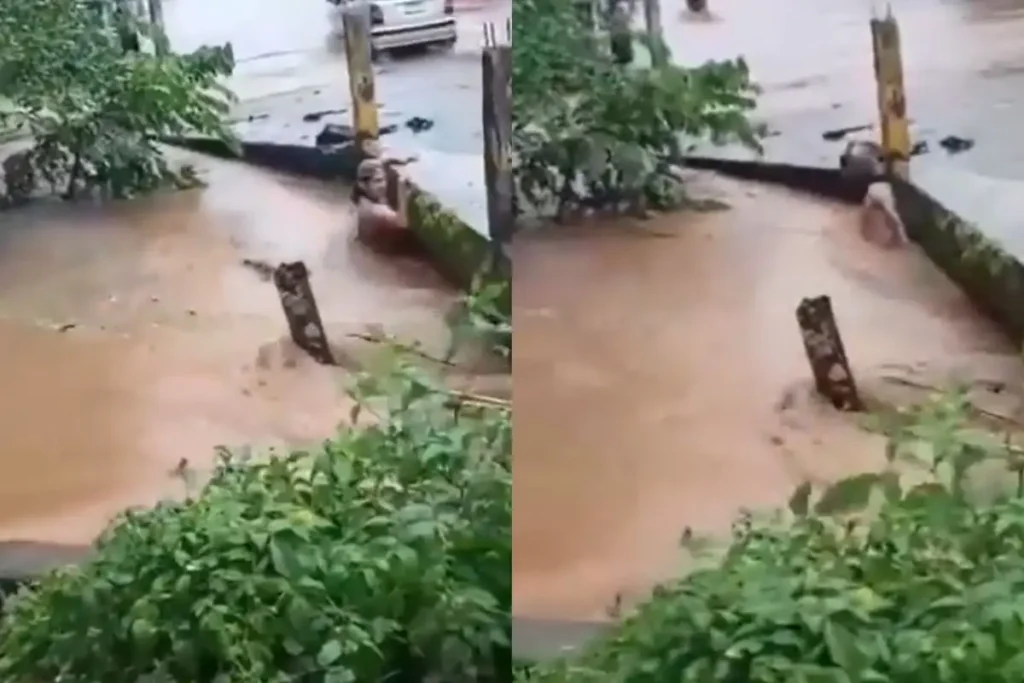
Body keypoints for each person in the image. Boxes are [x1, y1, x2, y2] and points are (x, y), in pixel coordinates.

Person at [353, 157, 419, 254]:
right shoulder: (373, 210)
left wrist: (405, 162)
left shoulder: (364, 195)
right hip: (375, 255)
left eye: (384, 179)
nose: (383, 185)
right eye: (378, 181)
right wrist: (402, 191)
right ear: (362, 184)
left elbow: (384, 162)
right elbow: (402, 223)